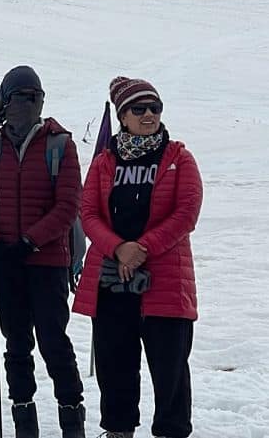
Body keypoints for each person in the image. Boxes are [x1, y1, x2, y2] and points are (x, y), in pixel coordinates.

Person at [73, 77, 202, 438]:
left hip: (165, 279)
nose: (148, 115)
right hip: (112, 280)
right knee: (115, 363)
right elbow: (89, 212)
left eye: (155, 108)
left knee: (170, 367)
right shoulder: (104, 162)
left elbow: (186, 212)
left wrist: (141, 247)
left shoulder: (179, 157)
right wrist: (118, 248)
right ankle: (118, 430)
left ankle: (171, 432)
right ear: (122, 116)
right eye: (139, 109)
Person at [0, 66, 86, 438]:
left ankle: (70, 417)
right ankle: (26, 419)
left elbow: (68, 206)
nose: (23, 105)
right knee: (17, 343)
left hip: (46, 263)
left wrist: (26, 242)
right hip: (7, 261)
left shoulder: (60, 145)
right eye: (18, 98)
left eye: (29, 99)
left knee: (53, 343)